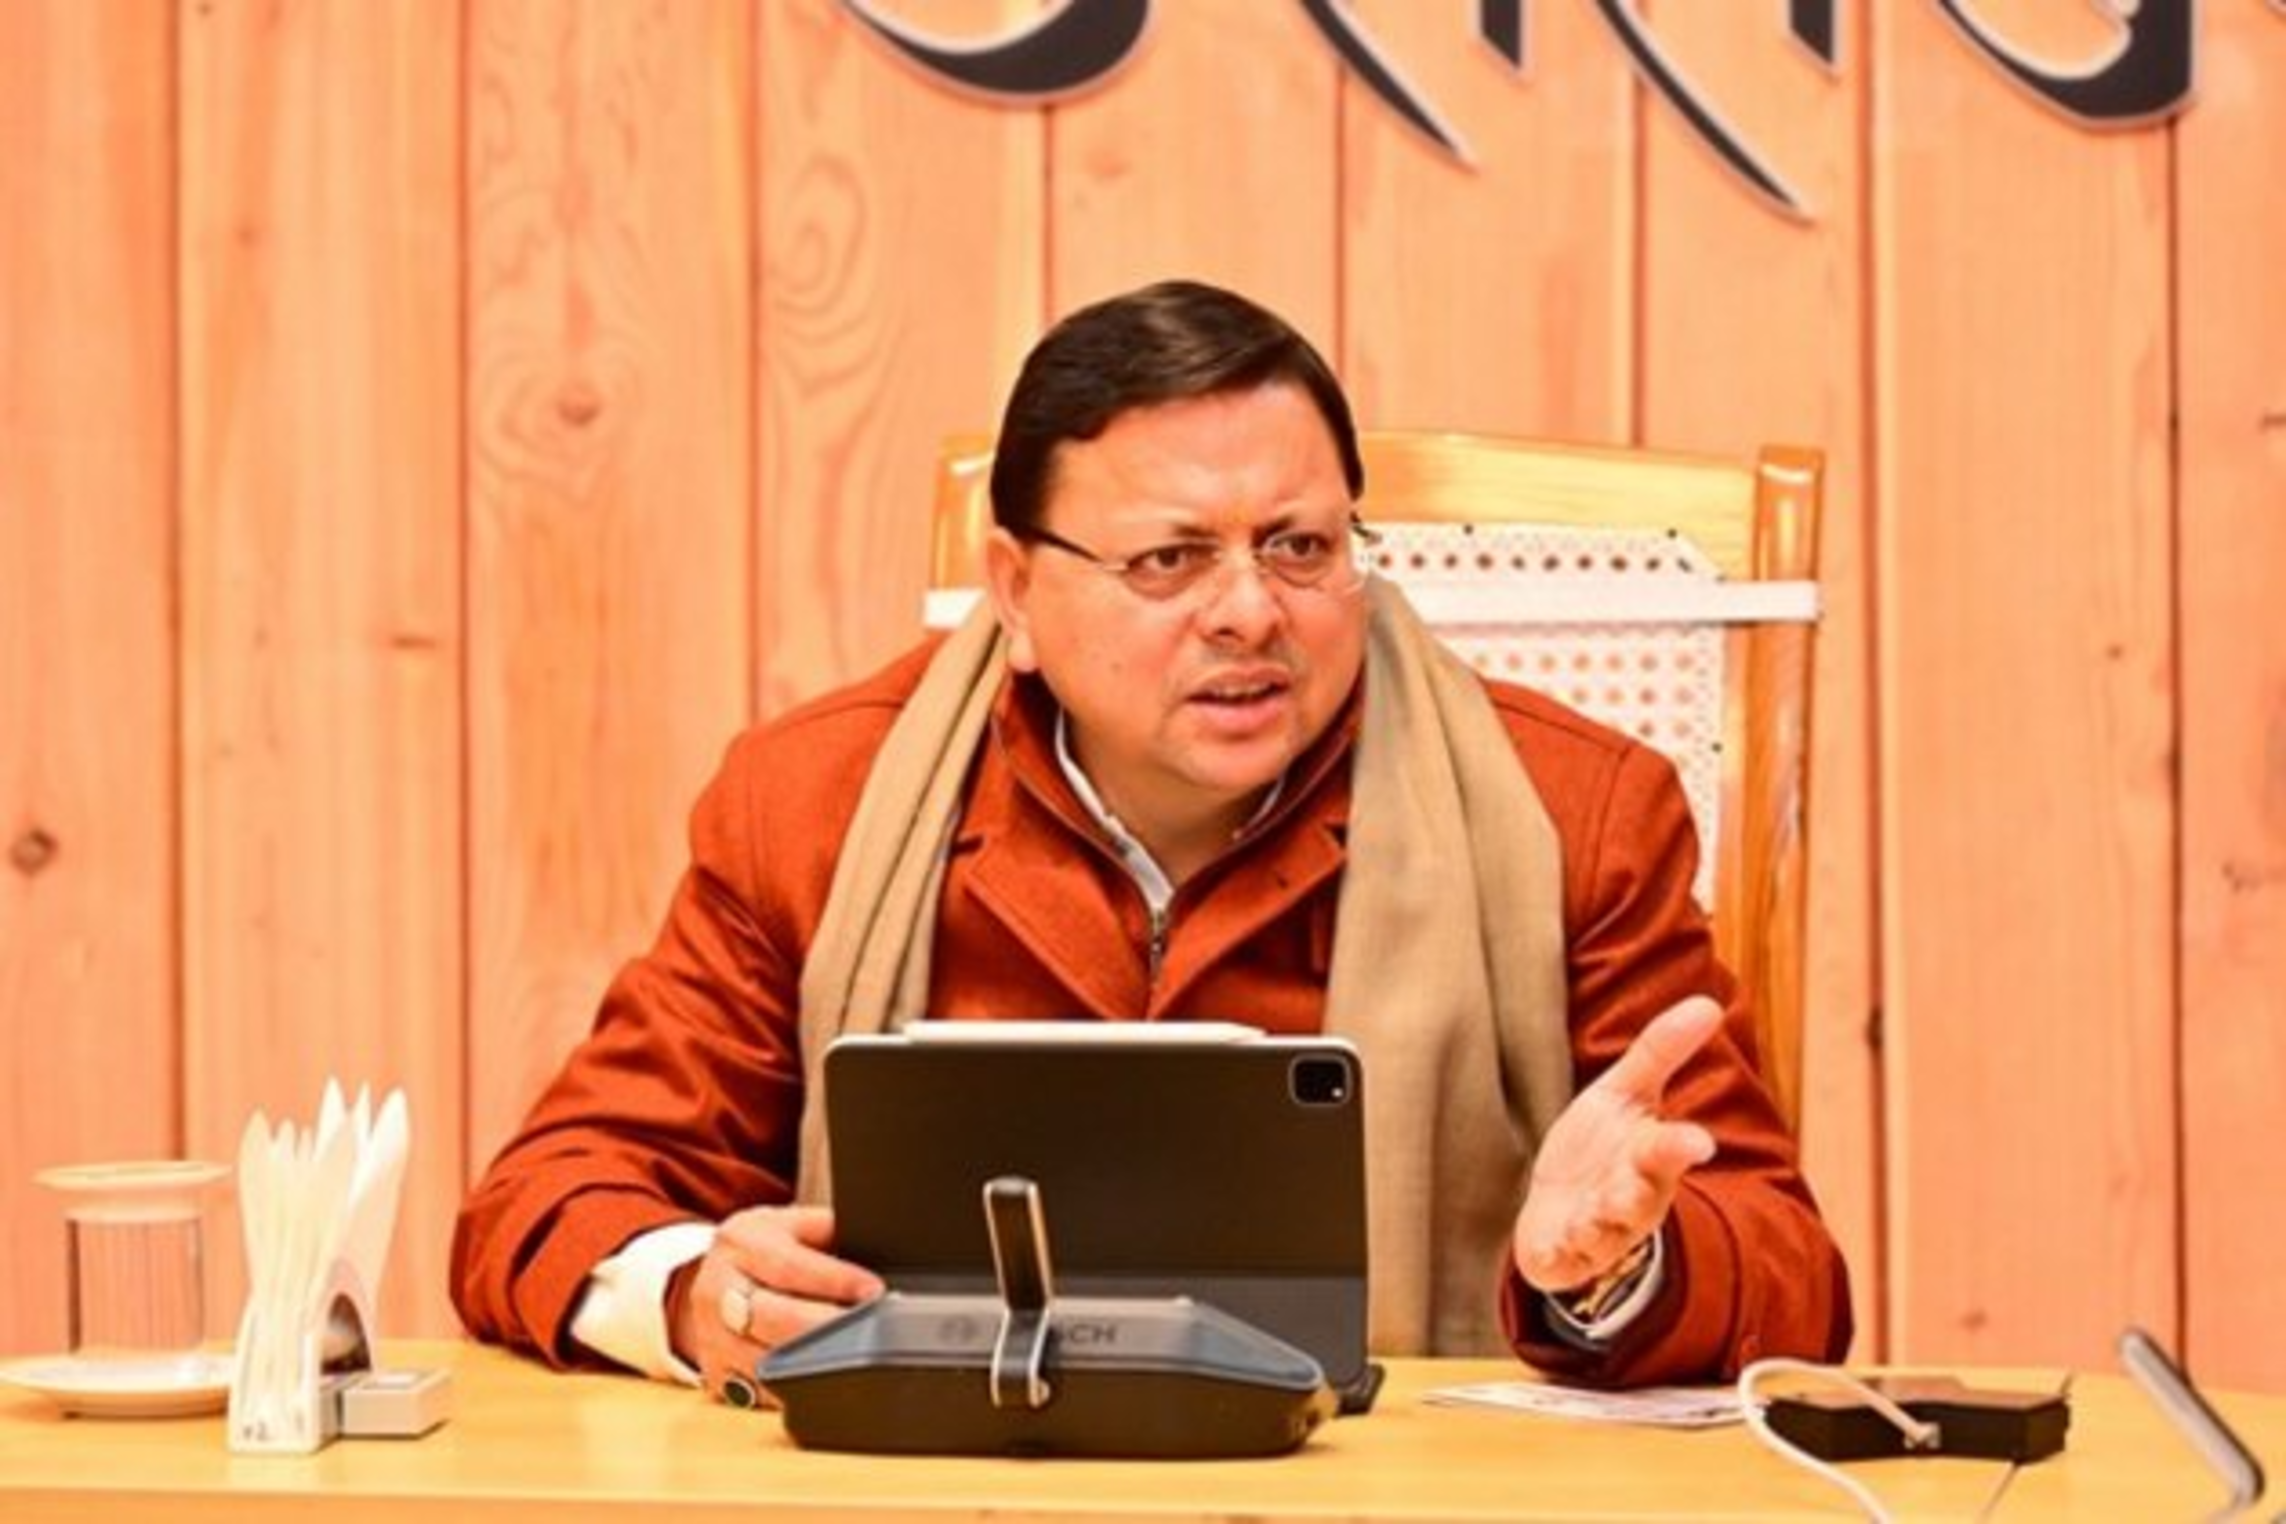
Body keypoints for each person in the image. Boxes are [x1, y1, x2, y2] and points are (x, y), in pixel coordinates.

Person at [451, 278, 1852, 1405]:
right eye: (1169, 560)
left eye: (1300, 548)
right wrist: (695, 1296)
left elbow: (1790, 1275)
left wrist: (1614, 1270)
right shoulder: (817, 801)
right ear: (1015, 590)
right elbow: (550, 1195)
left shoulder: (1570, 815)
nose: (1249, 612)